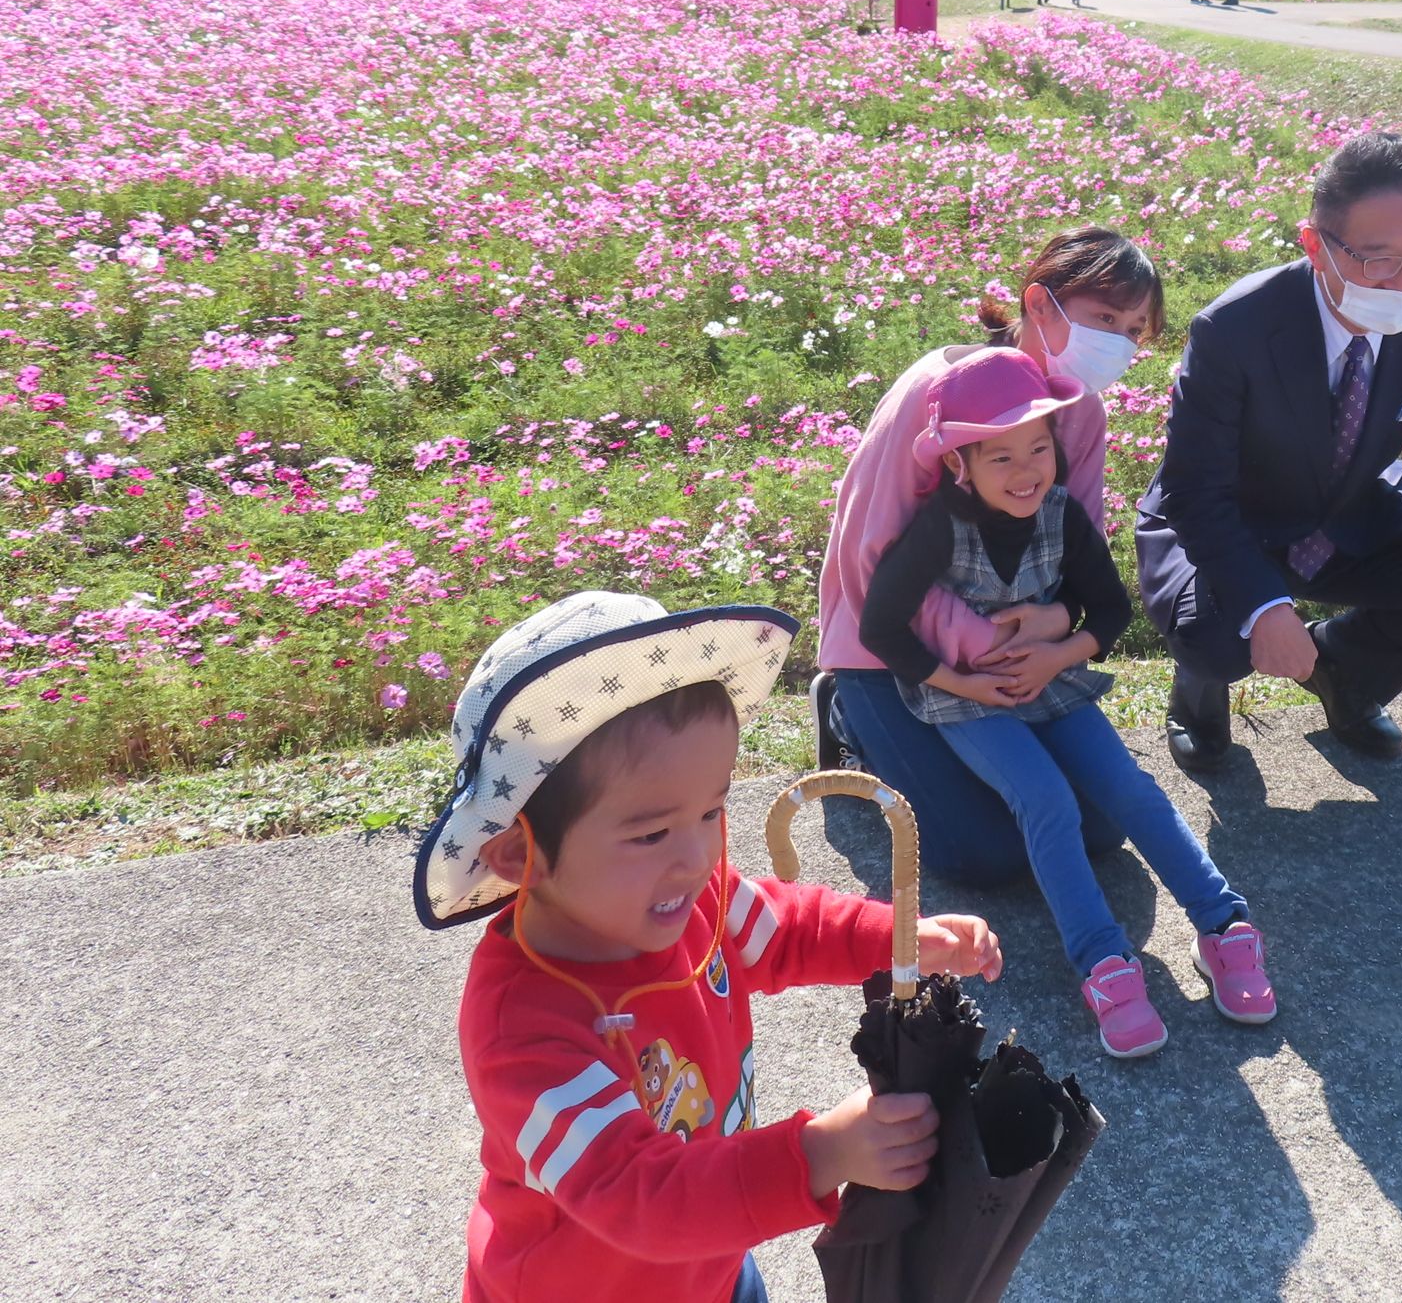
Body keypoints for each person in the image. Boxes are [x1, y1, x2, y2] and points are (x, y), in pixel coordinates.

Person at [412, 589, 1004, 1303]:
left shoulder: (687, 901)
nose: (696, 856)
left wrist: (898, 938)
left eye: (712, 808)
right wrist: (819, 1153)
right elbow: (643, 1197)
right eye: (651, 833)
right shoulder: (525, 1030)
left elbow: (786, 929)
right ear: (520, 855)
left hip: (711, 1262)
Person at [861, 350, 1277, 1058]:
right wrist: (963, 683)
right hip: (972, 701)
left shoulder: (1061, 513)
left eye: (1038, 448)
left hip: (1054, 682)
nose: (1025, 471)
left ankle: (1223, 924)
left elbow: (1110, 610)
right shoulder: (936, 527)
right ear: (958, 464)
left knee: (1131, 790)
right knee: (1045, 801)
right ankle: (1103, 964)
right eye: (1000, 458)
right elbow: (879, 627)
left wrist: (1059, 652)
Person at [1137, 131, 1402, 769]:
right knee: (1221, 635)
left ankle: (1345, 671)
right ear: (1314, 244)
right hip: (1230, 523)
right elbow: (1196, 491)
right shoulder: (1237, 328)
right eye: (1377, 259)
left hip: (1351, 510)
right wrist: (1263, 606)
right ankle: (1198, 689)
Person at [815, 226, 1162, 887]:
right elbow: (868, 560)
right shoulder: (938, 390)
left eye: (1133, 329)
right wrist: (986, 648)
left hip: (1010, 650)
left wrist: (1057, 623)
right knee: (984, 854)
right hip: (889, 647)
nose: (1118, 343)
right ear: (1038, 303)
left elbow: (1075, 547)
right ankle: (844, 712)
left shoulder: (1081, 412)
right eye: (1103, 319)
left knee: (1101, 827)